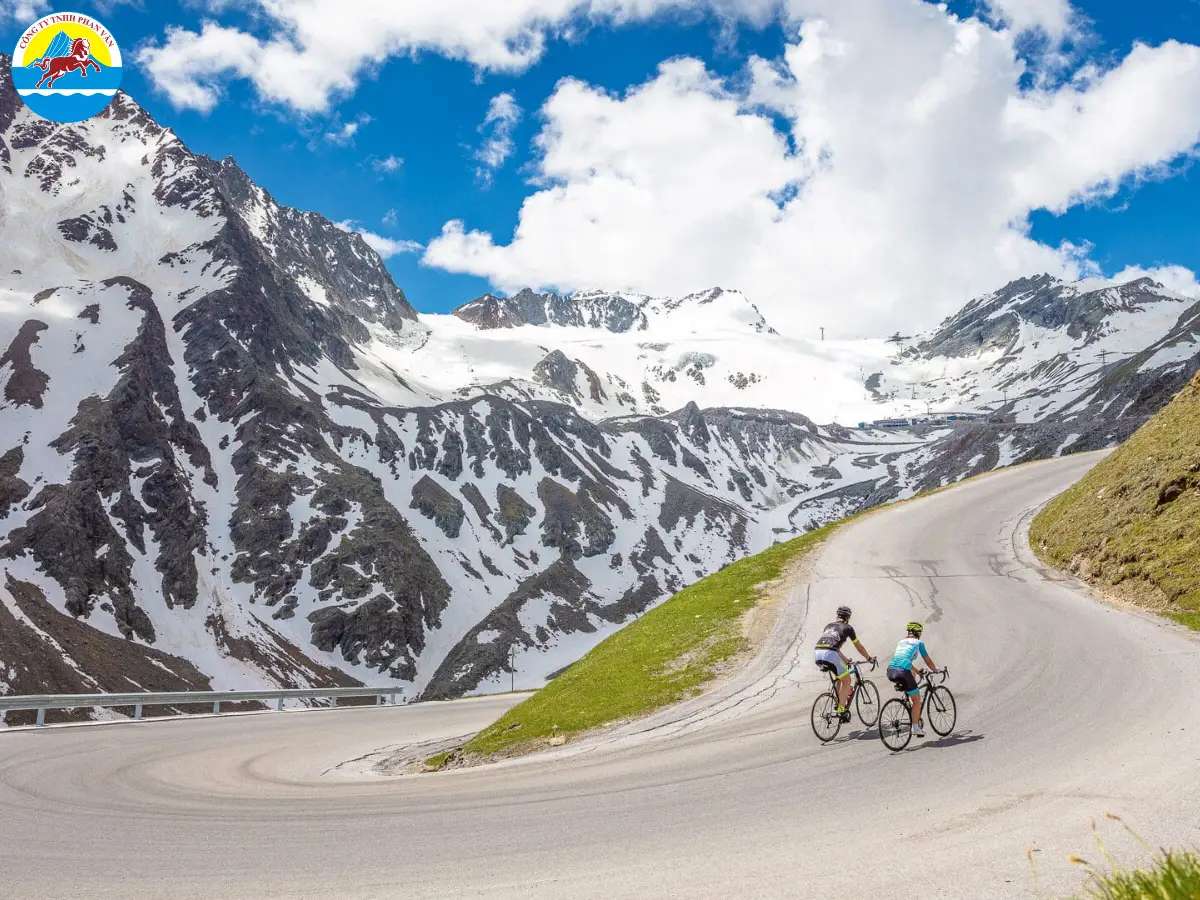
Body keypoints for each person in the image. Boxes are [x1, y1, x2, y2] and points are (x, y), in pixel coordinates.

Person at [813, 605, 876, 722]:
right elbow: (859, 647)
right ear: (848, 617)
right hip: (830, 654)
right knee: (847, 680)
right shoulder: (848, 628)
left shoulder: (828, 626)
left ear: (837, 616)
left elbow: (833, 646)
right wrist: (868, 657)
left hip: (817, 653)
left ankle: (837, 701)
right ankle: (841, 709)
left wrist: (846, 660)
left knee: (838, 675)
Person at [887, 621, 940, 737]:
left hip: (890, 671)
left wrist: (914, 674)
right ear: (918, 634)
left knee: (911, 689)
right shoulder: (919, 643)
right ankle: (915, 728)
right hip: (902, 671)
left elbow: (904, 660)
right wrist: (934, 669)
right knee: (917, 700)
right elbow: (927, 659)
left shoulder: (901, 642)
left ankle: (909, 706)